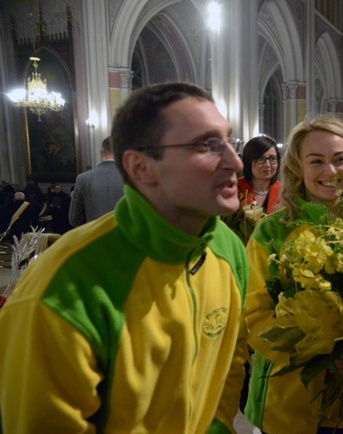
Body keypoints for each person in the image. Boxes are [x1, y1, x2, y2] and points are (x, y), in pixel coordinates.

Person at [0, 82, 249, 433]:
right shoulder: (60, 291)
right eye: (208, 145)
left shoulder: (227, 248)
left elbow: (231, 356)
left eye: (229, 141)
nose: (236, 162)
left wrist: (219, 424)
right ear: (141, 167)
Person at [244, 115, 343, 433]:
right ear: (297, 167)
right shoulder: (272, 232)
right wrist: (319, 352)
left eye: (339, 159)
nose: (330, 171)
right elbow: (253, 315)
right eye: (316, 161)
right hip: (290, 393)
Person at [69, 136, 124, 227]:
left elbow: (74, 219)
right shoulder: (132, 178)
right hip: (124, 237)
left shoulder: (83, 178)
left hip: (94, 237)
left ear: (101, 153)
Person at [238, 134, 282, 214]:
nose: (267, 165)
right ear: (248, 161)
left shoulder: (285, 193)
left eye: (272, 159)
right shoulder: (235, 190)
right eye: (260, 159)